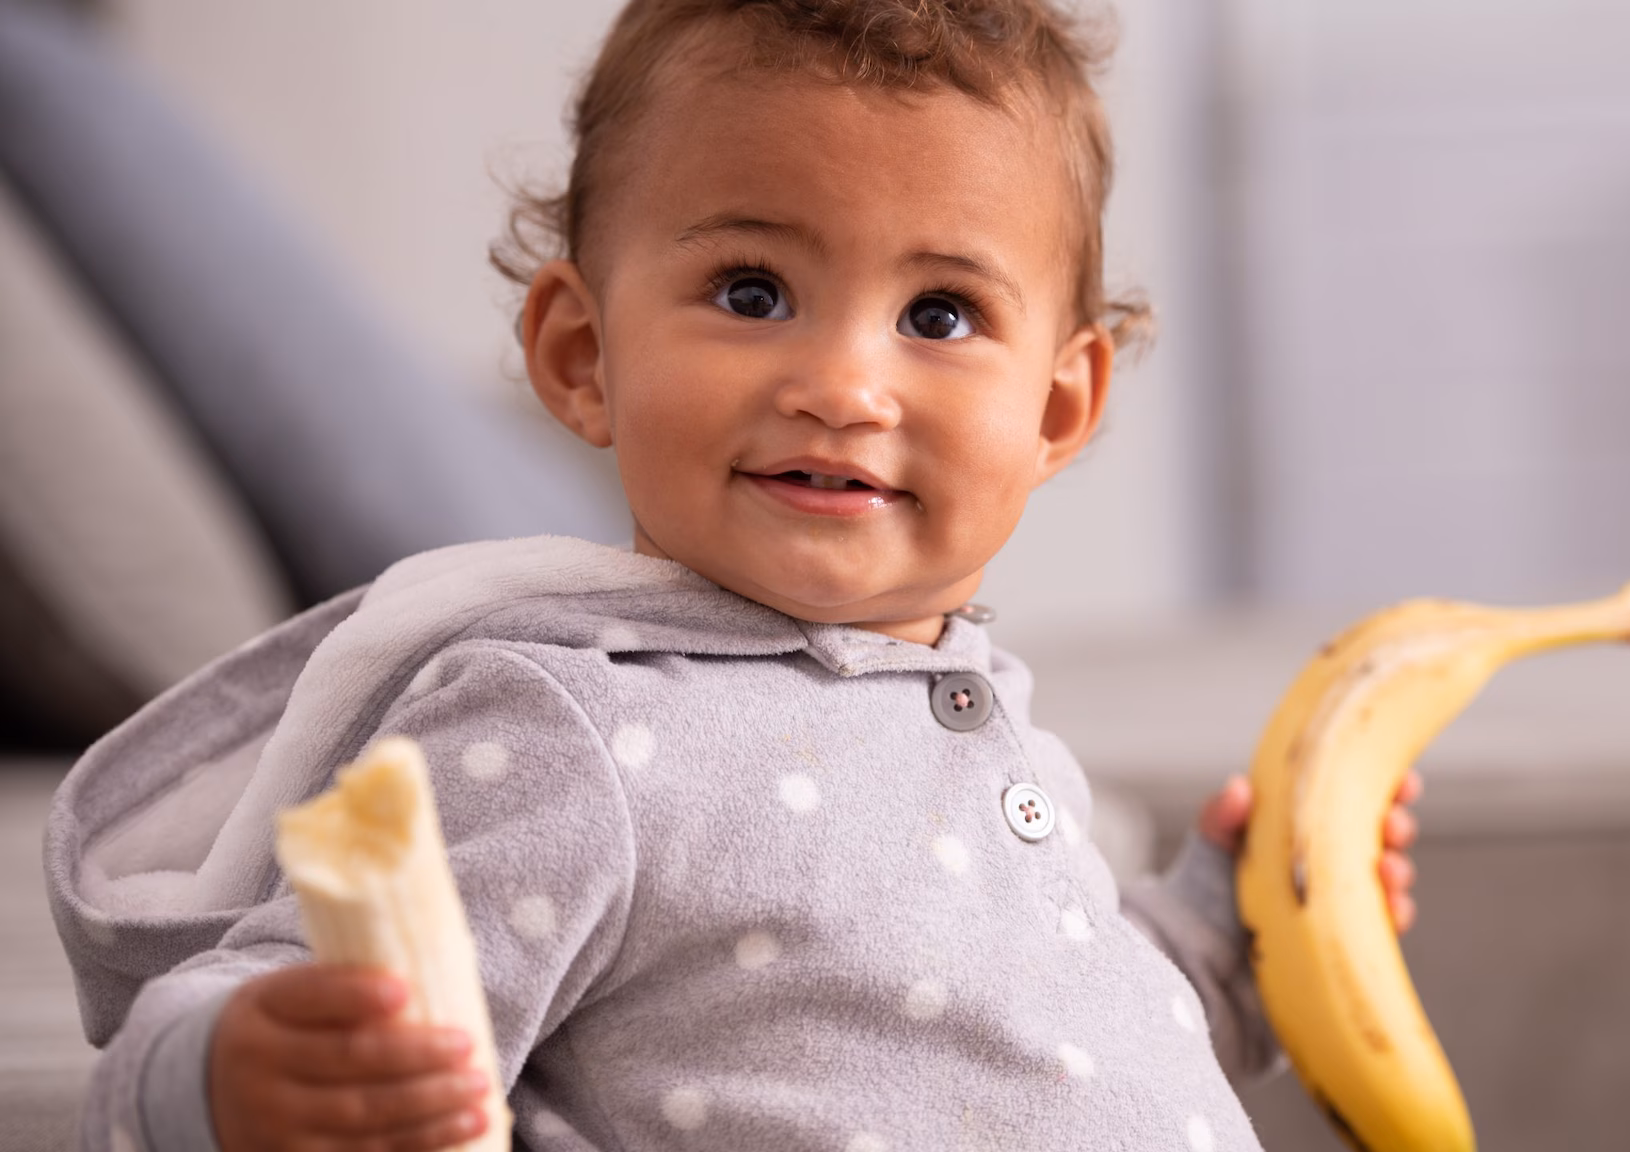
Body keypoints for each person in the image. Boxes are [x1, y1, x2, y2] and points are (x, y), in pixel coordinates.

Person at [47, 2, 1423, 1149]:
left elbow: (1051, 1038)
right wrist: (223, 1078)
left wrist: (1224, 938)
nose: (842, 386)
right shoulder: (565, 733)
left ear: (1058, 409)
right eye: (753, 291)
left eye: (938, 314)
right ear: (585, 355)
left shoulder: (981, 720)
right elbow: (273, 1005)